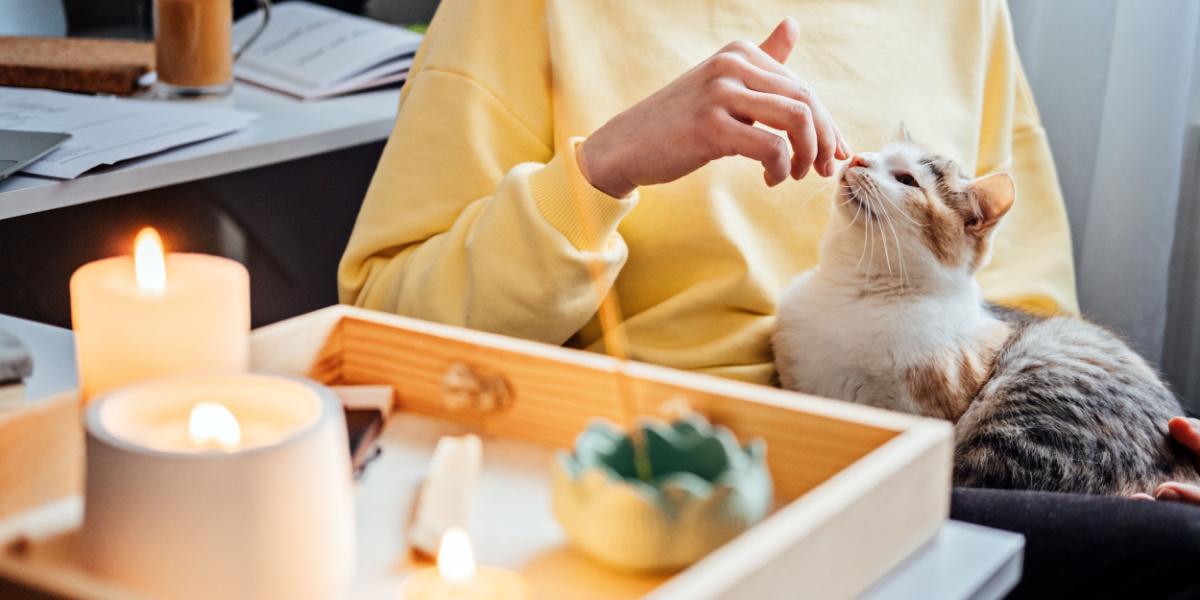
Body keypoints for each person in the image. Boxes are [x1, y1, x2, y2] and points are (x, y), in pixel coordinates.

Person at [339, 1, 1200, 596]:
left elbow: (1024, 313)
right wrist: (604, 167)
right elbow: (379, 325)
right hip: (664, 487)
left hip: (930, 474)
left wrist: (1138, 466)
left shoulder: (964, 11)